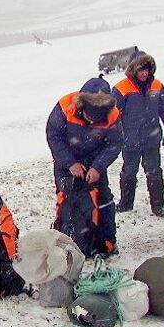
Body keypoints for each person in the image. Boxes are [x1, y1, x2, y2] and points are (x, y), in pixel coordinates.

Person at [46, 75, 123, 257]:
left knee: (104, 200)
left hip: (95, 162)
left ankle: (106, 241)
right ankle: (68, 241)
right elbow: (53, 136)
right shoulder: (65, 106)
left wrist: (97, 167)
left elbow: (114, 143)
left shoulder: (112, 114)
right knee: (66, 200)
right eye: (89, 117)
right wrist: (71, 163)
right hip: (67, 163)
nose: (92, 122)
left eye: (97, 120)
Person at [112, 51, 164, 217]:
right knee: (129, 172)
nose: (144, 73)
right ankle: (126, 203)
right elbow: (113, 115)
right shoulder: (121, 88)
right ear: (133, 70)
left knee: (154, 172)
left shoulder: (158, 86)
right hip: (129, 141)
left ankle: (158, 206)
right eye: (140, 70)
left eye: (147, 69)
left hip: (151, 139)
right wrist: (114, 136)